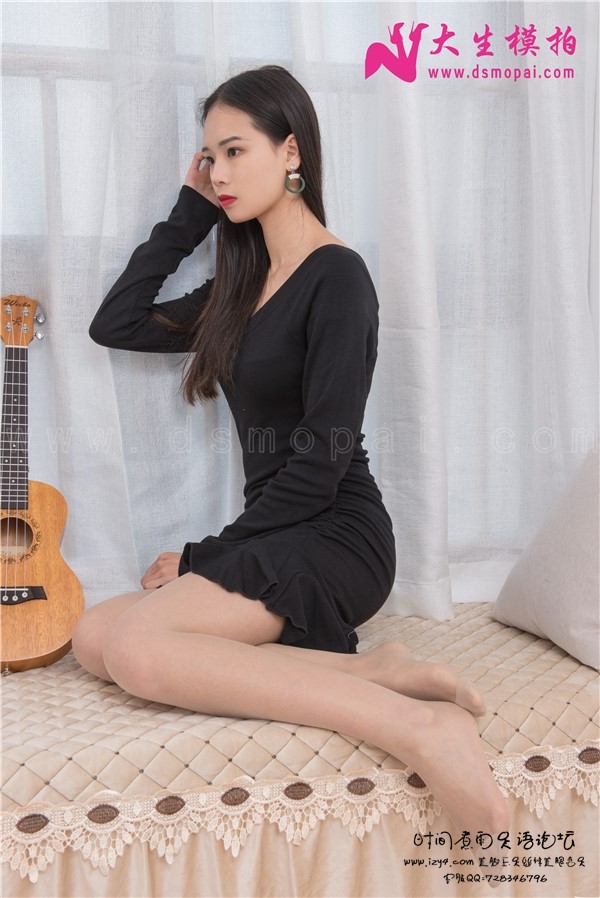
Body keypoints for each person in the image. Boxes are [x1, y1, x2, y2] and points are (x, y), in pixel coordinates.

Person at [73, 65, 509, 842]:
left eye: (236, 151)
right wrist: (190, 214)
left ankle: (417, 727)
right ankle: (366, 671)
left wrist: (205, 557)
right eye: (209, 157)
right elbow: (117, 322)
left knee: (137, 648)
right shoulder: (239, 288)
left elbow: (318, 465)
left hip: (337, 534)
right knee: (95, 638)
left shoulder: (338, 277)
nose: (219, 172)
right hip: (279, 533)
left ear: (292, 151)